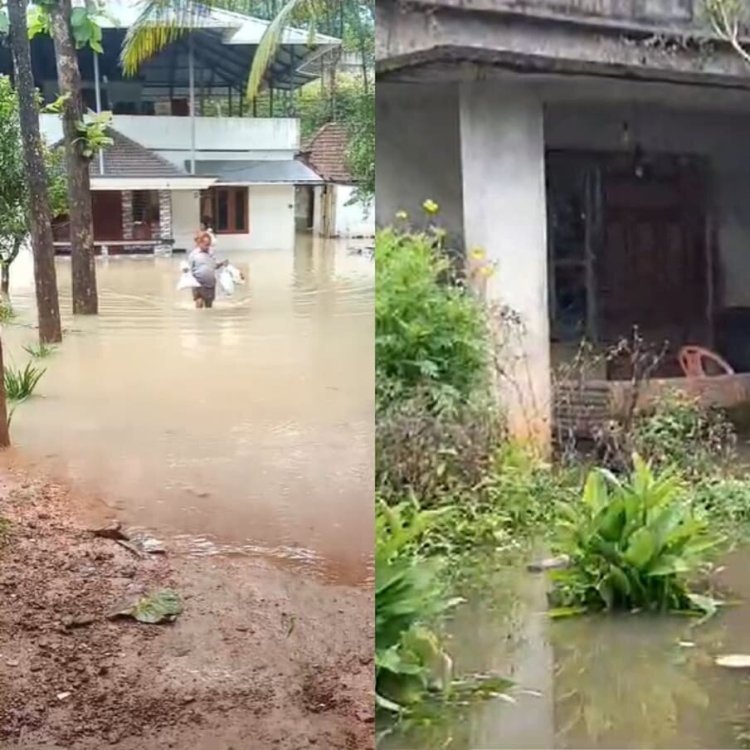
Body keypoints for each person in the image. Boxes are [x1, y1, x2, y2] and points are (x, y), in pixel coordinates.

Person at [188, 231, 227, 309]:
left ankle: (208, 319)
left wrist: (222, 263)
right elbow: (190, 269)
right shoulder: (193, 255)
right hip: (198, 282)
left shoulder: (211, 253)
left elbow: (214, 265)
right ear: (199, 243)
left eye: (209, 244)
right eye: (206, 244)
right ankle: (199, 318)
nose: (207, 247)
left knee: (209, 305)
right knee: (199, 301)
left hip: (210, 283)